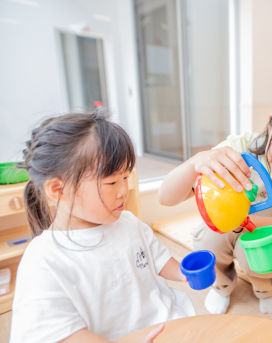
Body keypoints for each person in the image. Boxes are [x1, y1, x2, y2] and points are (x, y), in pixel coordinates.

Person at [159, 79, 272, 314]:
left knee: (256, 251)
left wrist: (240, 221)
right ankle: (222, 285)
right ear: (269, 125)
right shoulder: (240, 147)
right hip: (236, 217)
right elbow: (166, 198)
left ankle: (268, 287)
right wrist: (197, 162)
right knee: (209, 239)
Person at [10, 112, 195, 343]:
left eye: (126, 178)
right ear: (59, 190)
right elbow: (59, 334)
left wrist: (185, 273)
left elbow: (156, 258)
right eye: (111, 182)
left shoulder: (129, 223)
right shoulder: (44, 259)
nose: (123, 191)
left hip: (171, 324)